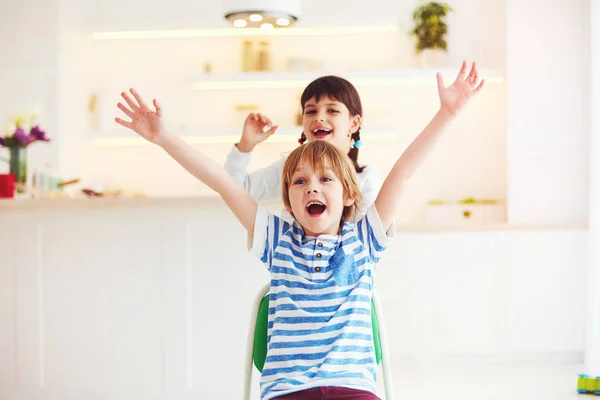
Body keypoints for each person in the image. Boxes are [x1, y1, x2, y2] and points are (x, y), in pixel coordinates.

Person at [114, 61, 484, 400]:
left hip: (352, 389)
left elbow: (402, 172)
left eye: (325, 179)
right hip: (287, 391)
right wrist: (164, 138)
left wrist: (447, 114)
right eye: (300, 181)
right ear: (288, 202)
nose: (312, 187)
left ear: (349, 192)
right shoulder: (277, 241)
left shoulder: (364, 239)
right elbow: (225, 184)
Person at [224, 75, 380, 217]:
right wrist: (245, 145)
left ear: (354, 123)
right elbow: (233, 191)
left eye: (332, 110)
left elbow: (368, 237)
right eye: (311, 111)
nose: (319, 117)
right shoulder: (289, 167)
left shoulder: (365, 179)